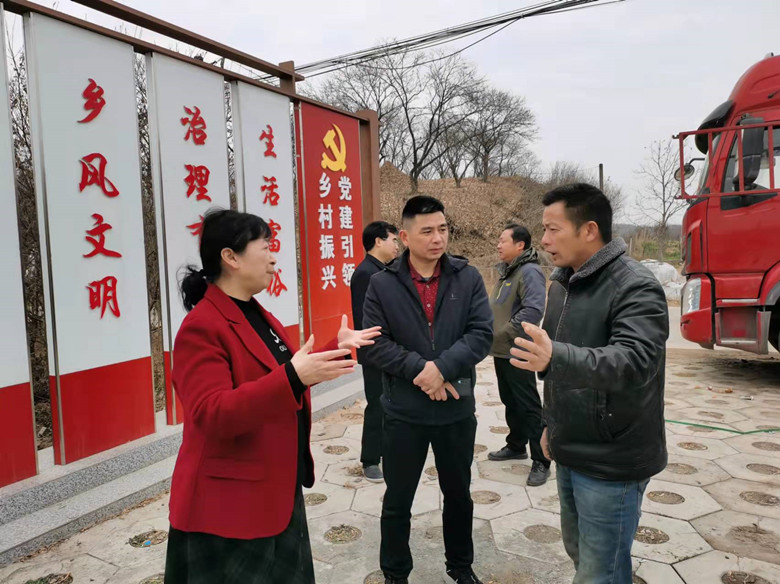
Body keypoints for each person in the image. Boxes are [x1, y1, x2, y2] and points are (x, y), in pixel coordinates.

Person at [164, 209, 380, 584]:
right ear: (230, 257)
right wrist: (293, 377)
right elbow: (212, 413)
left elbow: (282, 375)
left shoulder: (255, 313)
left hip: (272, 490)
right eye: (265, 247)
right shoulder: (202, 326)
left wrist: (337, 347)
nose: (274, 258)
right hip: (228, 508)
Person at [509, 183, 668, 584]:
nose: (544, 240)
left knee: (601, 571)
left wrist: (555, 357)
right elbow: (561, 370)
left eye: (553, 229)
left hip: (611, 457)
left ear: (589, 230)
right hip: (570, 446)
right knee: (581, 554)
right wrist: (551, 424)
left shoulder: (635, 285)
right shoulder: (566, 283)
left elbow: (635, 361)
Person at [362, 196, 493, 584]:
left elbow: (481, 334)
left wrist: (443, 368)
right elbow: (375, 343)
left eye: (443, 229)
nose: (438, 239)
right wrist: (424, 371)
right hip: (404, 412)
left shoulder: (467, 277)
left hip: (455, 409)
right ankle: (395, 572)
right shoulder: (382, 284)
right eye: (427, 231)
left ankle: (461, 566)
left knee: (459, 495)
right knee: (397, 500)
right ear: (404, 237)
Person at [487, 223, 550, 486]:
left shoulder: (529, 271)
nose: (498, 245)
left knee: (527, 404)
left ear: (520, 245)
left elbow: (533, 309)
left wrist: (504, 333)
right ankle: (516, 444)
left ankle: (542, 459)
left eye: (503, 240)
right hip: (502, 350)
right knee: (510, 400)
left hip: (519, 348)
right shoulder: (509, 271)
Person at [350, 220, 400, 483]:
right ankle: (370, 460)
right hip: (375, 352)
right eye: (393, 240)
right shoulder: (366, 273)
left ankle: (388, 450)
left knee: (390, 403)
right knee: (377, 405)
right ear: (378, 241)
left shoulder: (384, 270)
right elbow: (365, 320)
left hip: (390, 350)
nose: (397, 246)